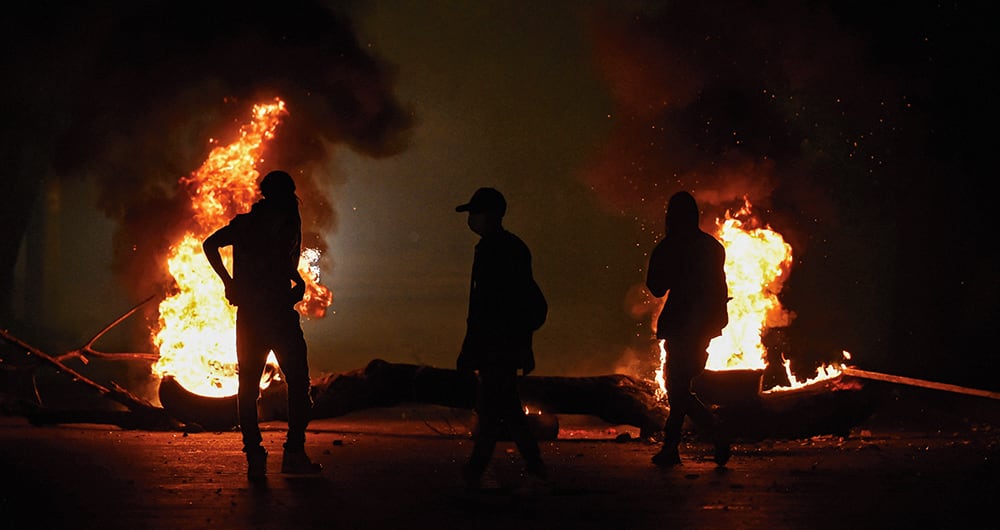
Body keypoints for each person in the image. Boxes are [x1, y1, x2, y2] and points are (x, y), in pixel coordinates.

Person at [203, 170, 322, 481]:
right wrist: (294, 283)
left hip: (251, 316)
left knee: (248, 387)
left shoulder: (245, 224)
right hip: (279, 314)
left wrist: (229, 282)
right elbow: (278, 262)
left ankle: (254, 455)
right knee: (298, 381)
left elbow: (210, 244)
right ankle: (293, 453)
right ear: (285, 194)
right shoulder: (287, 219)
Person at [455, 187, 548, 496]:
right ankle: (523, 467)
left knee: (497, 407)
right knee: (503, 407)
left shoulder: (494, 251)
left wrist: (471, 350)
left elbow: (486, 307)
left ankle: (479, 469)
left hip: (497, 344)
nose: (471, 219)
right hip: (505, 344)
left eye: (474, 213)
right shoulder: (511, 248)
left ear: (489, 215)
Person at [646, 191, 731, 467]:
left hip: (680, 325)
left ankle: (714, 429)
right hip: (703, 326)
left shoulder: (670, 246)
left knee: (677, 387)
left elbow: (656, 287)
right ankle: (672, 447)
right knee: (679, 385)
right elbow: (719, 288)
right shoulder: (712, 247)